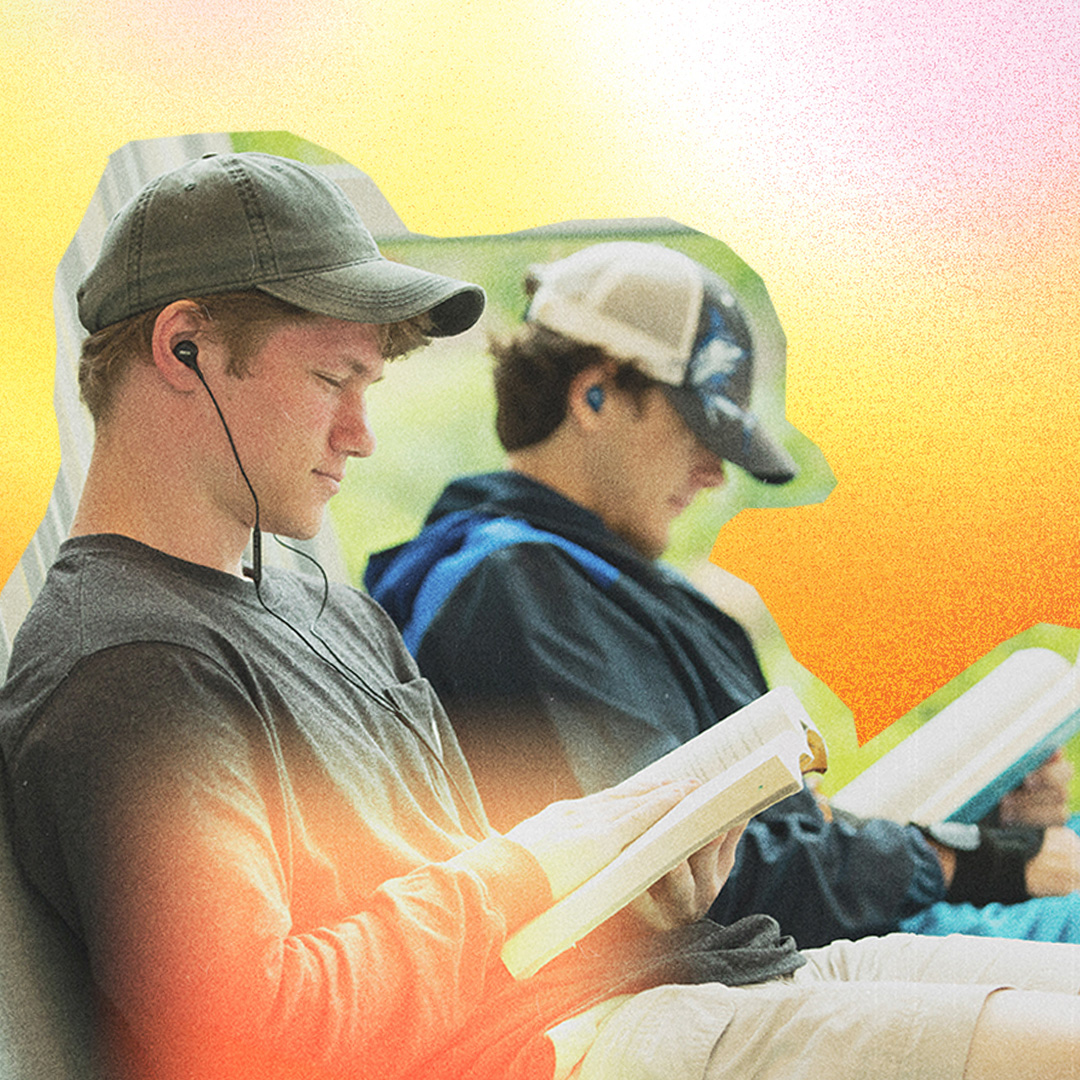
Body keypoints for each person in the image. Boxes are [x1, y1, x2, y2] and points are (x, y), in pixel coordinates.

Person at [2, 153, 1079, 1080]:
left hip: (655, 982)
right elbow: (264, 1024)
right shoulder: (130, 667)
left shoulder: (307, 596)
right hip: (563, 1049)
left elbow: (449, 887)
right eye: (335, 378)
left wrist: (627, 888)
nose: (363, 434)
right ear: (183, 348)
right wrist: (536, 865)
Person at [366, 240, 1080, 949]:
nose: (714, 475)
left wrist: (983, 827)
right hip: (783, 956)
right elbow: (683, 867)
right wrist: (972, 861)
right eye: (699, 430)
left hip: (828, 915)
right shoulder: (512, 592)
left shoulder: (582, 566)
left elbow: (768, 828)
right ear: (595, 394)